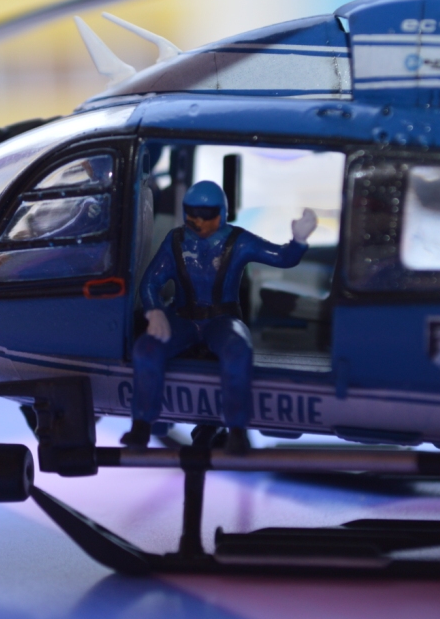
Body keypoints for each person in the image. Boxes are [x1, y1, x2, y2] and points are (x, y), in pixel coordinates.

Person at [122, 181, 317, 453]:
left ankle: (237, 430)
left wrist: (298, 241)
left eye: (207, 216)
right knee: (146, 349)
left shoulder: (238, 241)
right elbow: (151, 282)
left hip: (222, 320)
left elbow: (282, 257)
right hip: (183, 318)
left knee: (238, 351)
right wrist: (154, 311)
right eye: (194, 216)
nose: (200, 223)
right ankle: (141, 424)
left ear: (222, 213)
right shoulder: (175, 241)